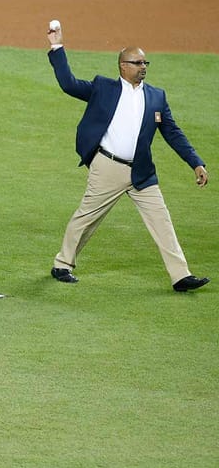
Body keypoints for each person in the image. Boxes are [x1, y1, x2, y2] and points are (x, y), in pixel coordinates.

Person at [46, 24, 210, 292]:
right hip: (108, 167)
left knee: (162, 221)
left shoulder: (156, 96)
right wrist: (57, 46)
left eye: (145, 62)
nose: (143, 66)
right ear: (123, 66)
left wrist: (196, 162)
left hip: (143, 172)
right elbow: (69, 84)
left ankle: (181, 276)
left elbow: (173, 132)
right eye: (137, 62)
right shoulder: (104, 88)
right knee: (87, 217)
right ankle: (62, 264)